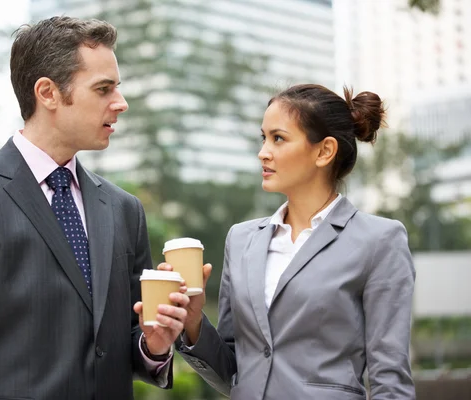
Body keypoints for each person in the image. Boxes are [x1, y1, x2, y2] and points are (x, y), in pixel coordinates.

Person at [0, 16, 189, 400]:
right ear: (47, 93)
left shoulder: (124, 209)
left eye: (118, 88)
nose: (121, 103)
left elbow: (127, 344)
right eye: (103, 89)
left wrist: (155, 345)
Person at [163, 84, 416, 399]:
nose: (263, 152)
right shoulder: (240, 240)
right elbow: (233, 373)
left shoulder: (380, 241)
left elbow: (390, 381)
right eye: (263, 138)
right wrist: (194, 321)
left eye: (278, 138)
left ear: (324, 151)